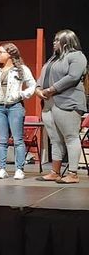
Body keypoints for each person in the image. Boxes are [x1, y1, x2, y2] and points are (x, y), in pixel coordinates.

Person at [35, 29, 87, 184]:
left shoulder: (77, 56)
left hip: (68, 101)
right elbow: (41, 78)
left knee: (71, 137)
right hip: (49, 103)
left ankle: (73, 173)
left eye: (57, 40)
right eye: (54, 40)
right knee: (55, 139)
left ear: (67, 42)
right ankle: (55, 172)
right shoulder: (53, 59)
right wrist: (38, 90)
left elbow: (73, 77)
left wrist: (51, 89)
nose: (54, 43)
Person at [0, 43, 36, 180]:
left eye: (0, 52)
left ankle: (19, 169)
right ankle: (2, 169)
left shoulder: (21, 69)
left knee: (18, 139)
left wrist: (22, 94)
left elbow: (32, 85)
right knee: (2, 140)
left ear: (9, 54)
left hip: (15, 106)